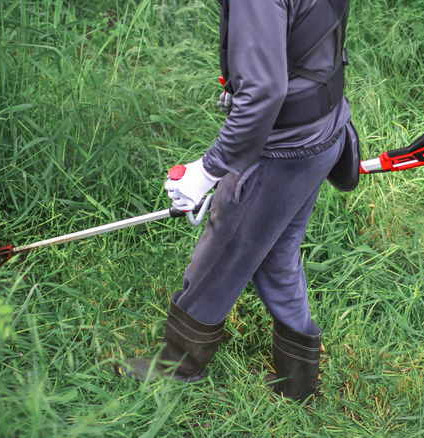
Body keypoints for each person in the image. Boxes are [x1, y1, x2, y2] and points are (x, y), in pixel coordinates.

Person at [118, 0, 353, 403]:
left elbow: (263, 91)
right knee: (277, 253)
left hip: (283, 148)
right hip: (324, 130)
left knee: (222, 253)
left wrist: (208, 170)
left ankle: (179, 366)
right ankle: (298, 384)